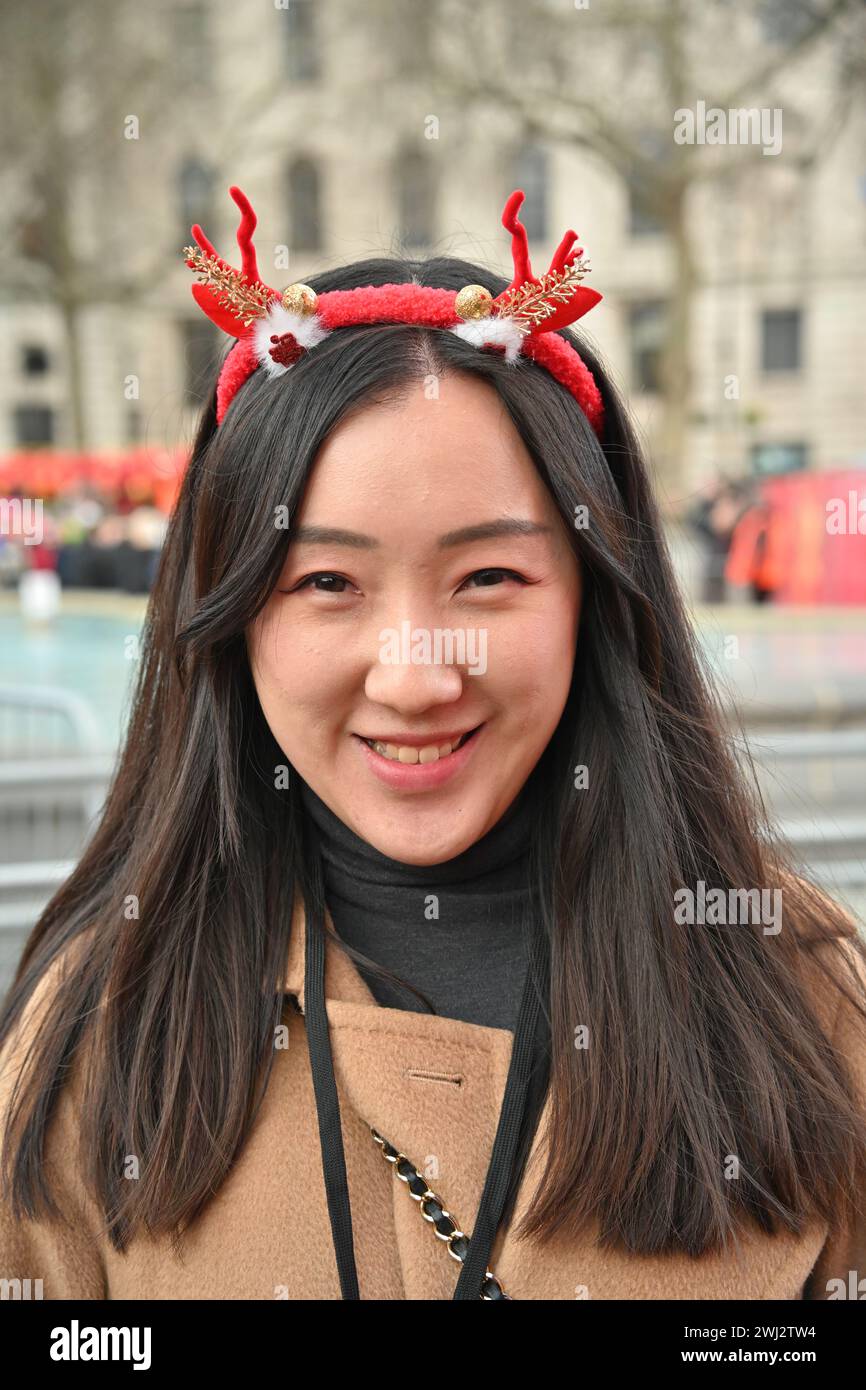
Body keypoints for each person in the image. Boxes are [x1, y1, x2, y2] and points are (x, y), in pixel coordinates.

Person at [1, 186, 864, 1302]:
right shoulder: (96, 1033)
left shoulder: (800, 993)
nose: (413, 675)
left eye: (488, 577)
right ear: (229, 617)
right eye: (325, 583)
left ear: (596, 596)